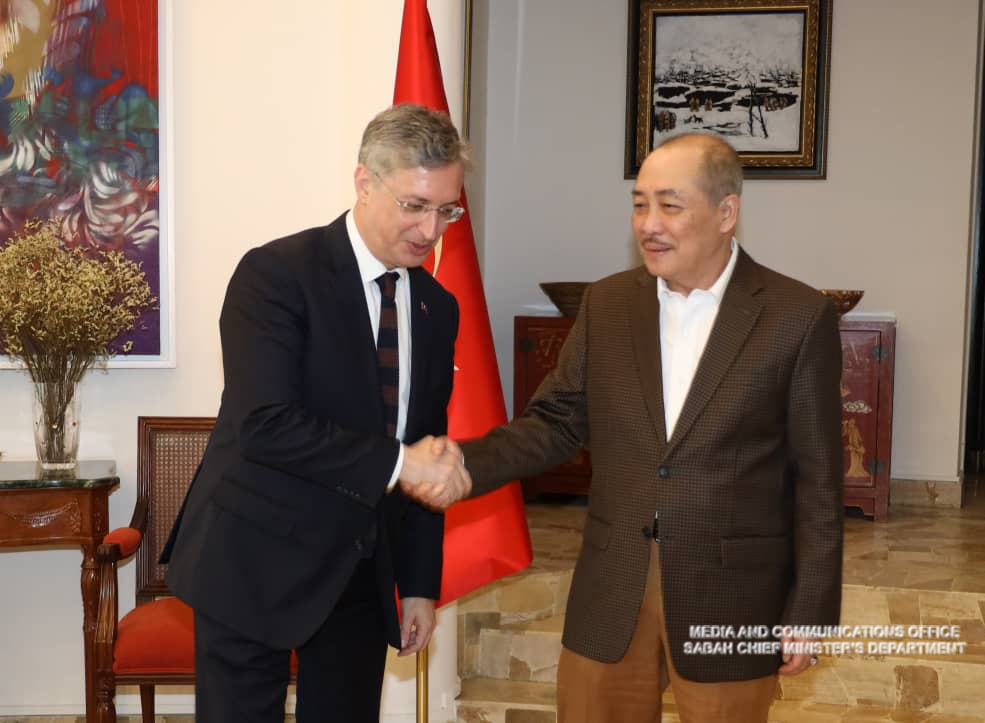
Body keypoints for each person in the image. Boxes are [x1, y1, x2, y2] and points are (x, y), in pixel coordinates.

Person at [424, 132, 844, 722]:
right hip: (612, 586)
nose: (649, 224)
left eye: (670, 206)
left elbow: (818, 479)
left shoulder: (796, 317)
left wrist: (810, 610)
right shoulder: (608, 304)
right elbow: (556, 423)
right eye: (639, 204)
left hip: (731, 594)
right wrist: (463, 463)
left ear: (726, 212)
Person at [160, 103, 472, 723]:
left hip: (356, 569)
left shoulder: (438, 307)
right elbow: (265, 424)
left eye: (447, 210)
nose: (431, 229)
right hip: (251, 559)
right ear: (364, 182)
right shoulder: (275, 275)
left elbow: (426, 447)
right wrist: (402, 463)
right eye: (415, 206)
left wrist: (418, 584)